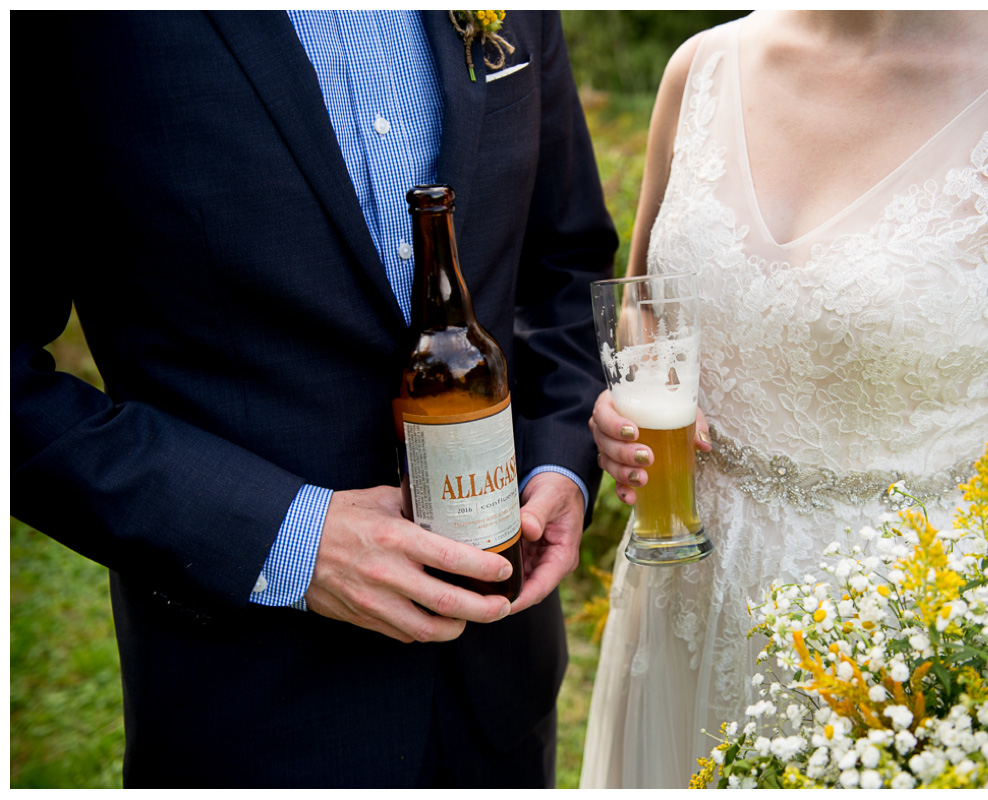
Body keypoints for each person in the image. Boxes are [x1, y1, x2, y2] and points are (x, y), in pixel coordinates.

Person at [11, 10, 615, 788]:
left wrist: (561, 464)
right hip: (251, 705)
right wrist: (289, 539)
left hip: (499, 694)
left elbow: (565, 268)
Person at [580, 10, 988, 788]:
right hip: (677, 607)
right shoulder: (700, 67)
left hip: (901, 664)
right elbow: (647, 300)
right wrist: (632, 401)